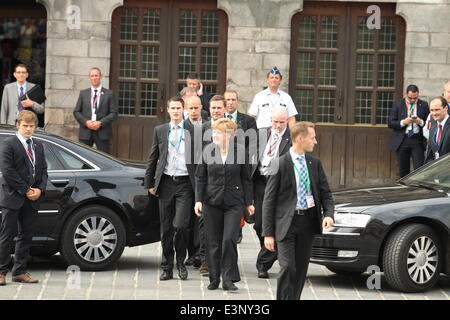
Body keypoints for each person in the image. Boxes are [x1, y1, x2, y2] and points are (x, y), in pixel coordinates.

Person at [262, 121, 334, 300]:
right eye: (312, 138)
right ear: (300, 139)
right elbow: (268, 201)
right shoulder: (279, 163)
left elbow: (326, 193)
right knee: (287, 266)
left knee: (301, 269)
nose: (315, 141)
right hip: (286, 223)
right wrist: (268, 234)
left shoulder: (314, 163)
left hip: (307, 223)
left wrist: (329, 214)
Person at [194, 118, 254, 291]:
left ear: (230, 135)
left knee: (228, 240)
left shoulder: (241, 152)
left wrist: (249, 202)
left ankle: (228, 278)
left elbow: (246, 179)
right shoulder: (208, 150)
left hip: (234, 203)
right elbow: (200, 177)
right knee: (213, 242)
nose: (215, 135)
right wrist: (198, 200)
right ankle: (214, 278)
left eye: (219, 132)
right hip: (211, 202)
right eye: (214, 132)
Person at [144, 97, 195, 281]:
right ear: (168, 110)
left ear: (183, 109)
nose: (175, 111)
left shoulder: (191, 131)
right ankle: (166, 266)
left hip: (185, 184)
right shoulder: (160, 130)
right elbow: (153, 157)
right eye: (172, 108)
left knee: (181, 225)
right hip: (165, 183)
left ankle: (181, 262)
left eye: (178, 108)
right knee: (166, 228)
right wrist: (150, 182)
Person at [0, 110, 48, 286]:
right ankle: (1, 271)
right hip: (13, 197)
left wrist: (40, 190)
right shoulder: (9, 144)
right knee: (7, 235)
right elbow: (8, 172)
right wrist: (26, 189)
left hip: (32, 199)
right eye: (25, 126)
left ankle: (19, 271)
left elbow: (43, 171)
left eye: (31, 126)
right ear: (18, 125)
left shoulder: (38, 145)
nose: (28, 129)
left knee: (26, 235)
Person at [252, 107, 291, 279]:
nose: (278, 125)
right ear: (270, 119)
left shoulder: (291, 137)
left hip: (280, 185)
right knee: (260, 224)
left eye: (281, 122)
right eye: (275, 121)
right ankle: (270, 250)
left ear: (287, 121)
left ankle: (263, 263)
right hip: (261, 181)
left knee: (277, 224)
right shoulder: (261, 134)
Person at [224, 89, 257, 243]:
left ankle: (238, 228)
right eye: (228, 100)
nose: (230, 102)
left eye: (233, 99)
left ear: (237, 101)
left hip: (240, 166)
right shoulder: (218, 120)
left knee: (238, 199)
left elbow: (253, 144)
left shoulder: (247, 121)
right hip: (222, 167)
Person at [183, 95, 206, 270]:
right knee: (187, 219)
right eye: (190, 108)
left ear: (201, 107)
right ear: (186, 108)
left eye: (196, 108)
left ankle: (199, 253)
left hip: (203, 178)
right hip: (185, 179)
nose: (193, 111)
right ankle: (190, 253)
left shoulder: (209, 126)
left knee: (200, 218)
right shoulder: (182, 127)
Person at [73, 67, 118, 154]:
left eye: (96, 75)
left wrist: (100, 123)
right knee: (83, 158)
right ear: (89, 77)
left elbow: (114, 113)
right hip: (86, 132)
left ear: (100, 77)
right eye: (92, 76)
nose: (94, 78)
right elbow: (76, 112)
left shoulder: (109, 94)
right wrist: (86, 122)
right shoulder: (83, 93)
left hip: (103, 131)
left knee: (104, 159)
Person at [388, 85, 429, 177]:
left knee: (419, 169)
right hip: (402, 140)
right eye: (410, 98)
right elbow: (390, 123)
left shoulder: (424, 105)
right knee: (403, 170)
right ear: (406, 94)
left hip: (417, 140)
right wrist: (403, 122)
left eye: (415, 98)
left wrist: (420, 122)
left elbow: (429, 123)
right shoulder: (398, 104)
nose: (413, 100)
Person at [424, 96, 449, 163]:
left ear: (446, 108)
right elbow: (430, 153)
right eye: (432, 110)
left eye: (437, 110)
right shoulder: (433, 126)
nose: (434, 113)